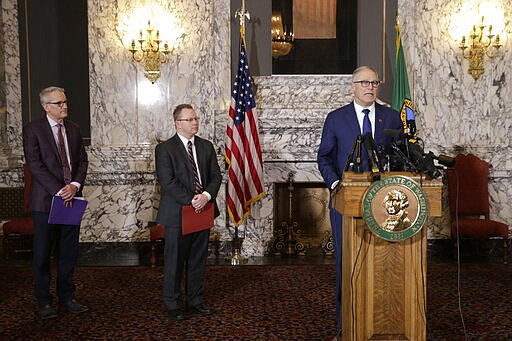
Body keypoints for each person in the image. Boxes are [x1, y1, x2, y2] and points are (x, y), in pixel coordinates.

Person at [317, 66, 403, 326]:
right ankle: (347, 321)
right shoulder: (336, 118)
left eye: (374, 82)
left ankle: (382, 318)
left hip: (384, 202)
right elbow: (324, 157)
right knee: (348, 262)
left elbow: (400, 156)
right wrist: (334, 184)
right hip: (346, 201)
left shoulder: (391, 118)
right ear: (353, 86)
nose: (370, 87)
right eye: (364, 82)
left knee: (384, 261)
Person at [23, 86, 89, 320]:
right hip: (45, 202)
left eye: (65, 102)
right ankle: (44, 301)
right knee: (42, 254)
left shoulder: (74, 129)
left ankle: (67, 297)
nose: (65, 106)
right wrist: (59, 190)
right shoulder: (33, 130)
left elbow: (82, 161)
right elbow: (35, 164)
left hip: (72, 199)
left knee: (68, 253)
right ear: (46, 106)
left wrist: (75, 186)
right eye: (59, 103)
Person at [155, 104, 222, 321]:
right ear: (177, 123)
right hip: (177, 214)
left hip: (203, 210)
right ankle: (173, 304)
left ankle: (195, 301)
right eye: (189, 119)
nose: (195, 122)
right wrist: (192, 200)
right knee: (174, 261)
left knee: (197, 260)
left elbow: (216, 176)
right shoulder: (165, 149)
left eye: (196, 118)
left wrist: (206, 197)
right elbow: (168, 181)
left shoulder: (206, 146)